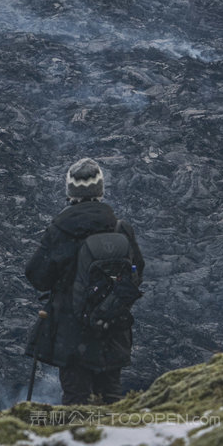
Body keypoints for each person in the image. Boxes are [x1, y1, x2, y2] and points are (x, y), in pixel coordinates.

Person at [25, 158, 144, 405]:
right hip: (113, 327)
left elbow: (38, 277)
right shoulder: (121, 228)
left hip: (72, 332)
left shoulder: (60, 230)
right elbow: (136, 273)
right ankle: (117, 441)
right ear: (100, 190)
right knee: (111, 396)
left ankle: (80, 440)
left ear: (70, 192)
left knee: (76, 398)